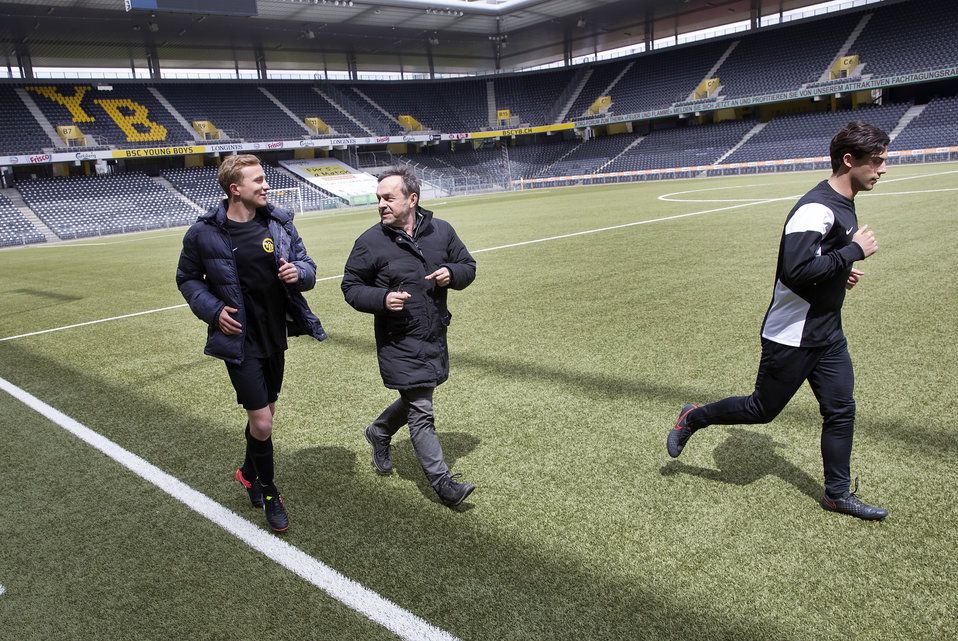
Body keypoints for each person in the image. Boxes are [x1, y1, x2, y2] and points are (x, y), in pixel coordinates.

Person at [667, 121, 889, 521]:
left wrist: (840, 272)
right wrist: (852, 253)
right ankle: (693, 417)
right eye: (876, 161)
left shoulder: (844, 202)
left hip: (827, 333)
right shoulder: (816, 208)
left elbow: (819, 262)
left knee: (841, 409)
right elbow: (795, 270)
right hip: (792, 334)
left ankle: (837, 494)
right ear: (849, 160)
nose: (882, 169)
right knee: (761, 409)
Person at [176, 154, 327, 532]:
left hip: (275, 334)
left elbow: (308, 267)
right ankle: (270, 492)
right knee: (262, 421)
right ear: (235, 189)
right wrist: (213, 311)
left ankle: (247, 472)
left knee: (266, 418)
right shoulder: (203, 233)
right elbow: (187, 278)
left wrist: (299, 273)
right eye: (257, 180)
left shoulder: (278, 223)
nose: (266, 185)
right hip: (238, 340)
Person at [342, 166, 477, 507]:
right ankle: (443, 484)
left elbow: (468, 266)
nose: (381, 204)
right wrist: (383, 299)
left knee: (420, 394)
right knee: (421, 409)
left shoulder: (441, 231)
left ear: (412, 199)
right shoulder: (370, 242)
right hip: (398, 339)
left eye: (389, 198)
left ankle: (379, 430)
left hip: (433, 334)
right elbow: (351, 287)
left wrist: (452, 273)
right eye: (379, 199)